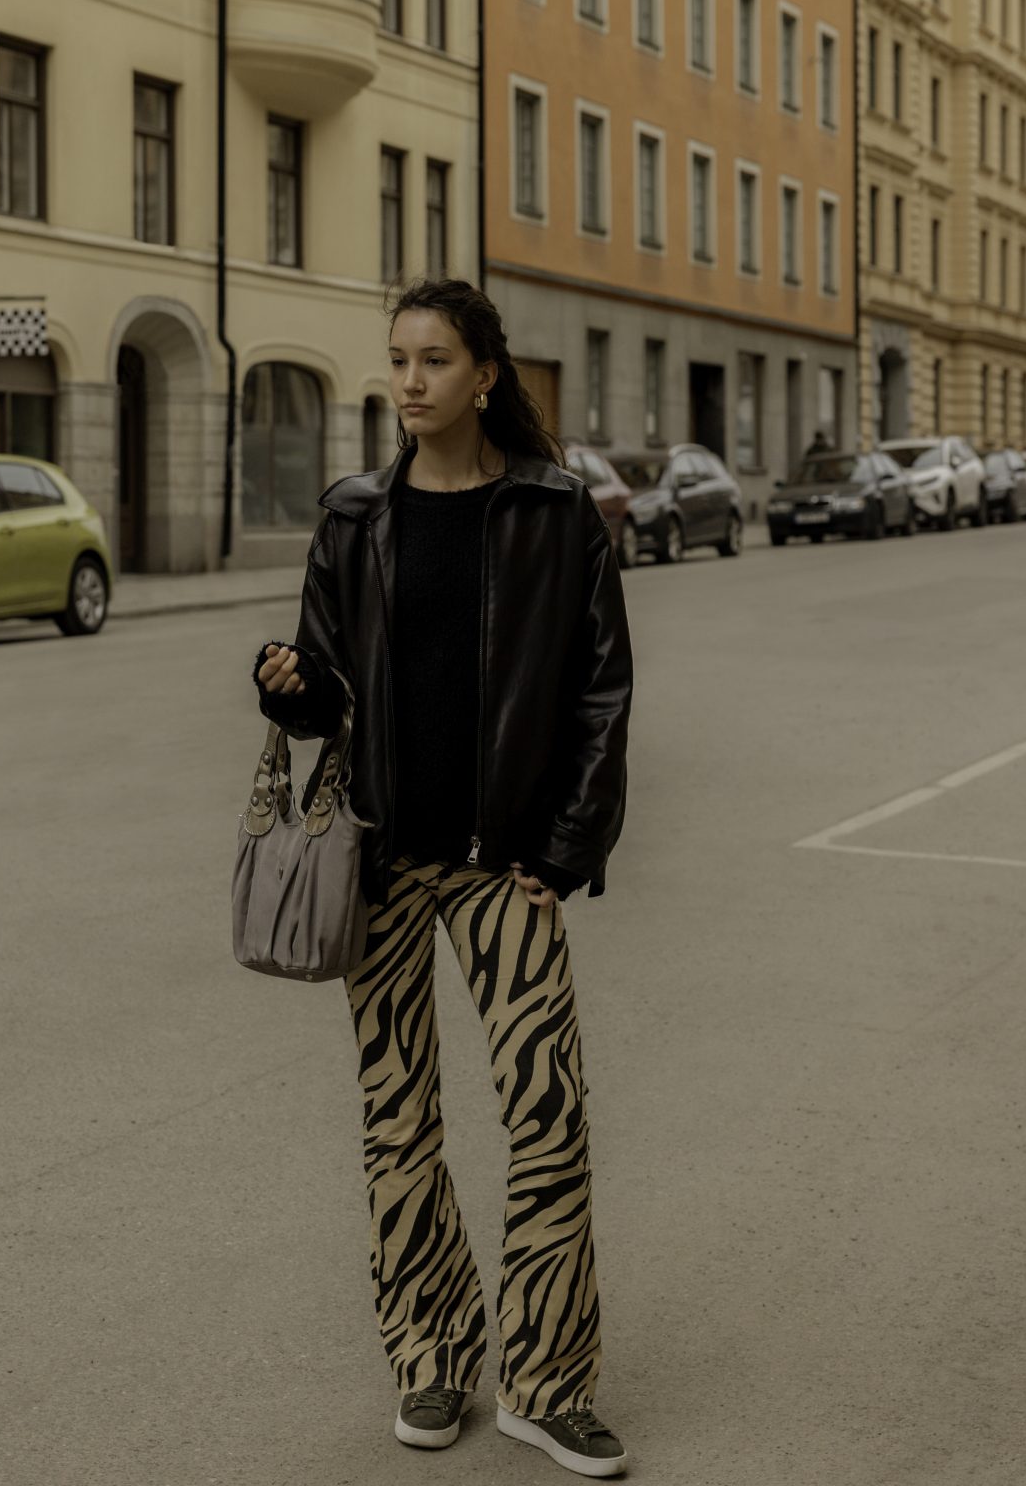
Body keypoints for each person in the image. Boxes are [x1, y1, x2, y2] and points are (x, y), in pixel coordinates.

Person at [253, 277, 633, 1479]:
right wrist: (287, 687)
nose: (409, 382)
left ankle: (548, 1382)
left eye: (432, 361)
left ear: (482, 374)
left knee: (546, 1116)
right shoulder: (355, 514)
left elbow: (599, 697)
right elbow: (326, 686)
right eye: (397, 360)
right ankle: (429, 1354)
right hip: (377, 864)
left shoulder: (555, 515)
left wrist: (561, 855)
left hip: (500, 869)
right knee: (396, 1122)